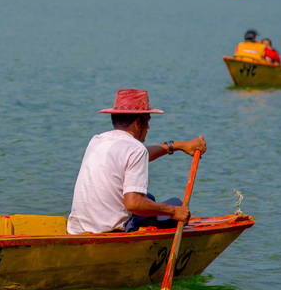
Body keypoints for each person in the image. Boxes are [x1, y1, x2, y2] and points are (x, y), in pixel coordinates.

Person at [67, 89, 207, 234]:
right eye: (148, 122)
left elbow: (134, 156)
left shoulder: (97, 140)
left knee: (149, 198)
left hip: (78, 229)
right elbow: (133, 204)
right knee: (174, 203)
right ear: (139, 122)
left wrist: (177, 146)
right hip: (109, 230)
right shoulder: (136, 149)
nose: (148, 128)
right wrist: (173, 211)